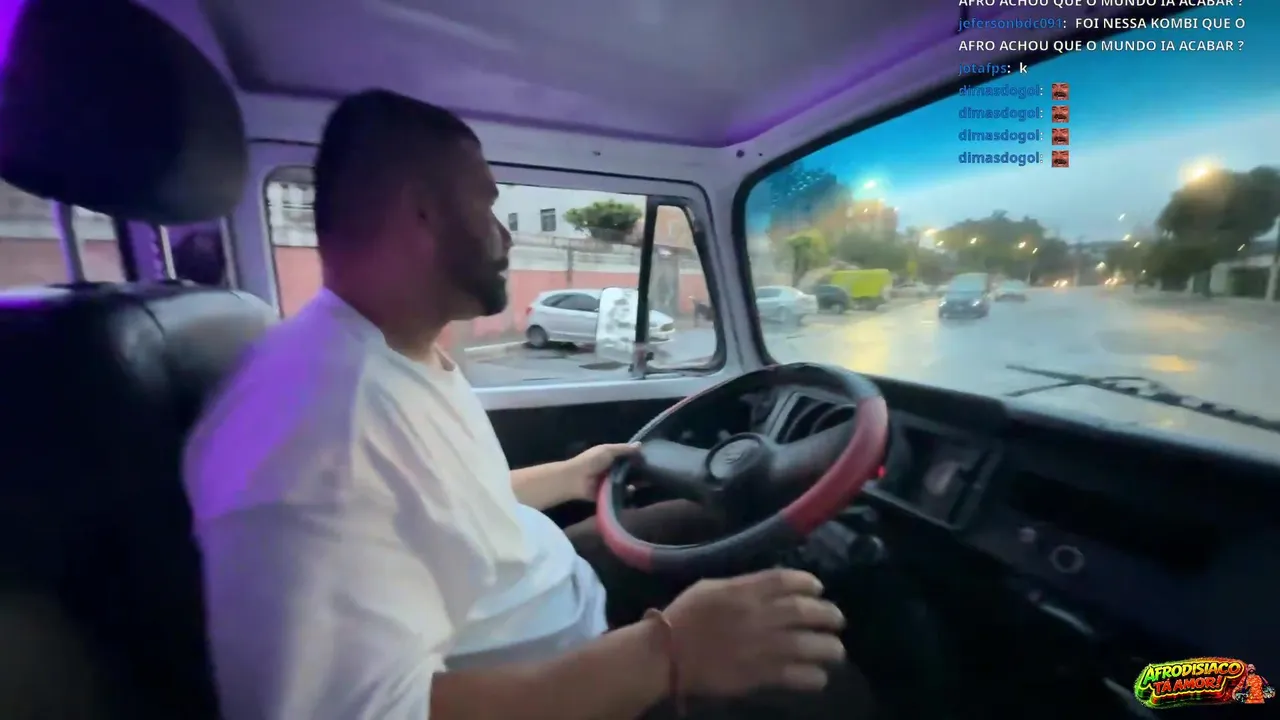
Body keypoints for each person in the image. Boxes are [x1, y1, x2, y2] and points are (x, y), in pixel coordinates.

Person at [183, 89, 861, 720]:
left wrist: (566, 477)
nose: (504, 236)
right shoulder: (318, 428)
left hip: (547, 597)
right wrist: (668, 655)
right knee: (825, 686)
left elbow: (432, 510)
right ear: (421, 212)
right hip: (560, 674)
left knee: (715, 519)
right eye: (487, 207)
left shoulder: (387, 351)